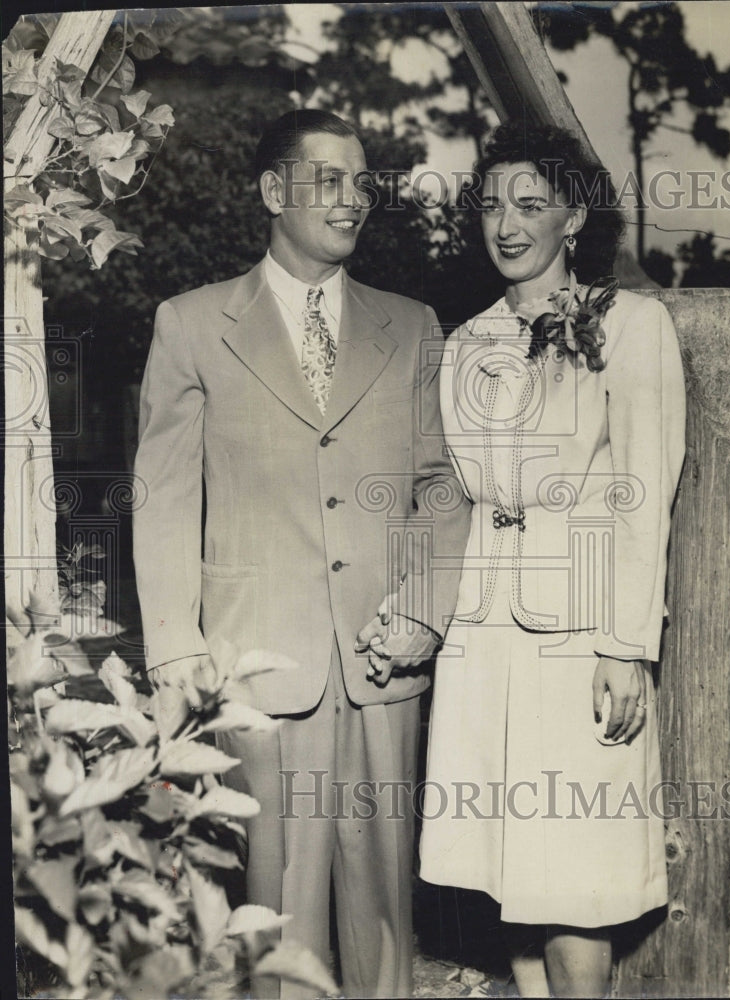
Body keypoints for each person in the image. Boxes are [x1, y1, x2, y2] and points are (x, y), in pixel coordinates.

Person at [133, 109, 470, 999]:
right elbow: (163, 496)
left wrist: (424, 610)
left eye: (363, 183)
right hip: (255, 665)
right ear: (272, 192)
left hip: (381, 660)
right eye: (328, 180)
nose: (352, 199)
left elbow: (440, 487)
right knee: (273, 915)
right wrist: (173, 648)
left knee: (384, 914)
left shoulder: (411, 324)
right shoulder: (192, 324)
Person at [416, 122, 686, 998]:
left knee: (576, 875)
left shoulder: (631, 326)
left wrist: (624, 645)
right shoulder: (462, 343)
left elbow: (646, 489)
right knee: (511, 873)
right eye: (491, 204)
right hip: (483, 640)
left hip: (578, 641)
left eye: (530, 204)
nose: (506, 223)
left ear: (573, 217)